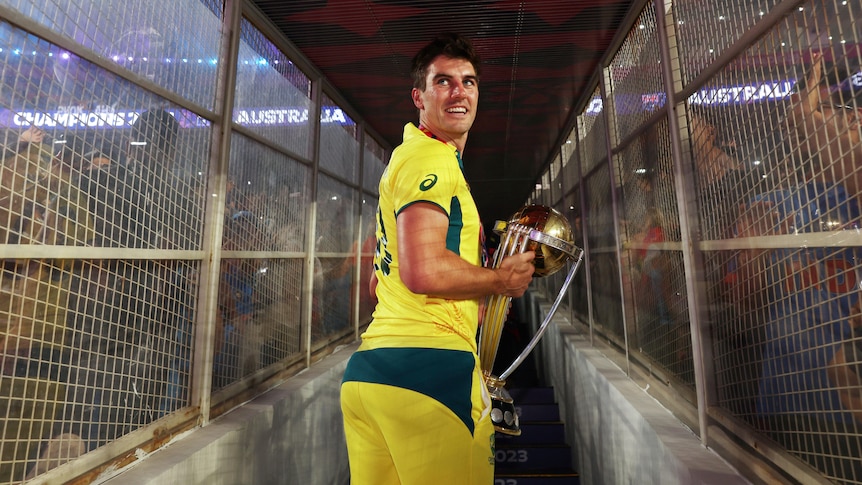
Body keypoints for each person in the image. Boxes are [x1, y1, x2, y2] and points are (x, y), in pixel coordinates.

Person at [339, 33, 536, 484]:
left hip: (372, 376)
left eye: (468, 82)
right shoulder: (432, 158)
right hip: (429, 376)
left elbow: (379, 284)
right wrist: (498, 281)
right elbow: (423, 270)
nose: (458, 92)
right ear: (419, 96)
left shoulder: (406, 159)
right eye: (443, 81)